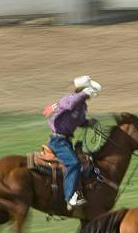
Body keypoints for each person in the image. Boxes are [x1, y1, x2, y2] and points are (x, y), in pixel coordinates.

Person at [43, 76, 101, 210]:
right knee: (74, 163)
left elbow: (79, 121)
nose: (91, 96)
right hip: (58, 141)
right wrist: (84, 93)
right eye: (90, 92)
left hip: (66, 141)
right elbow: (70, 104)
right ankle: (69, 198)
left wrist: (88, 123)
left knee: (83, 161)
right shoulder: (70, 99)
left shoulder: (82, 106)